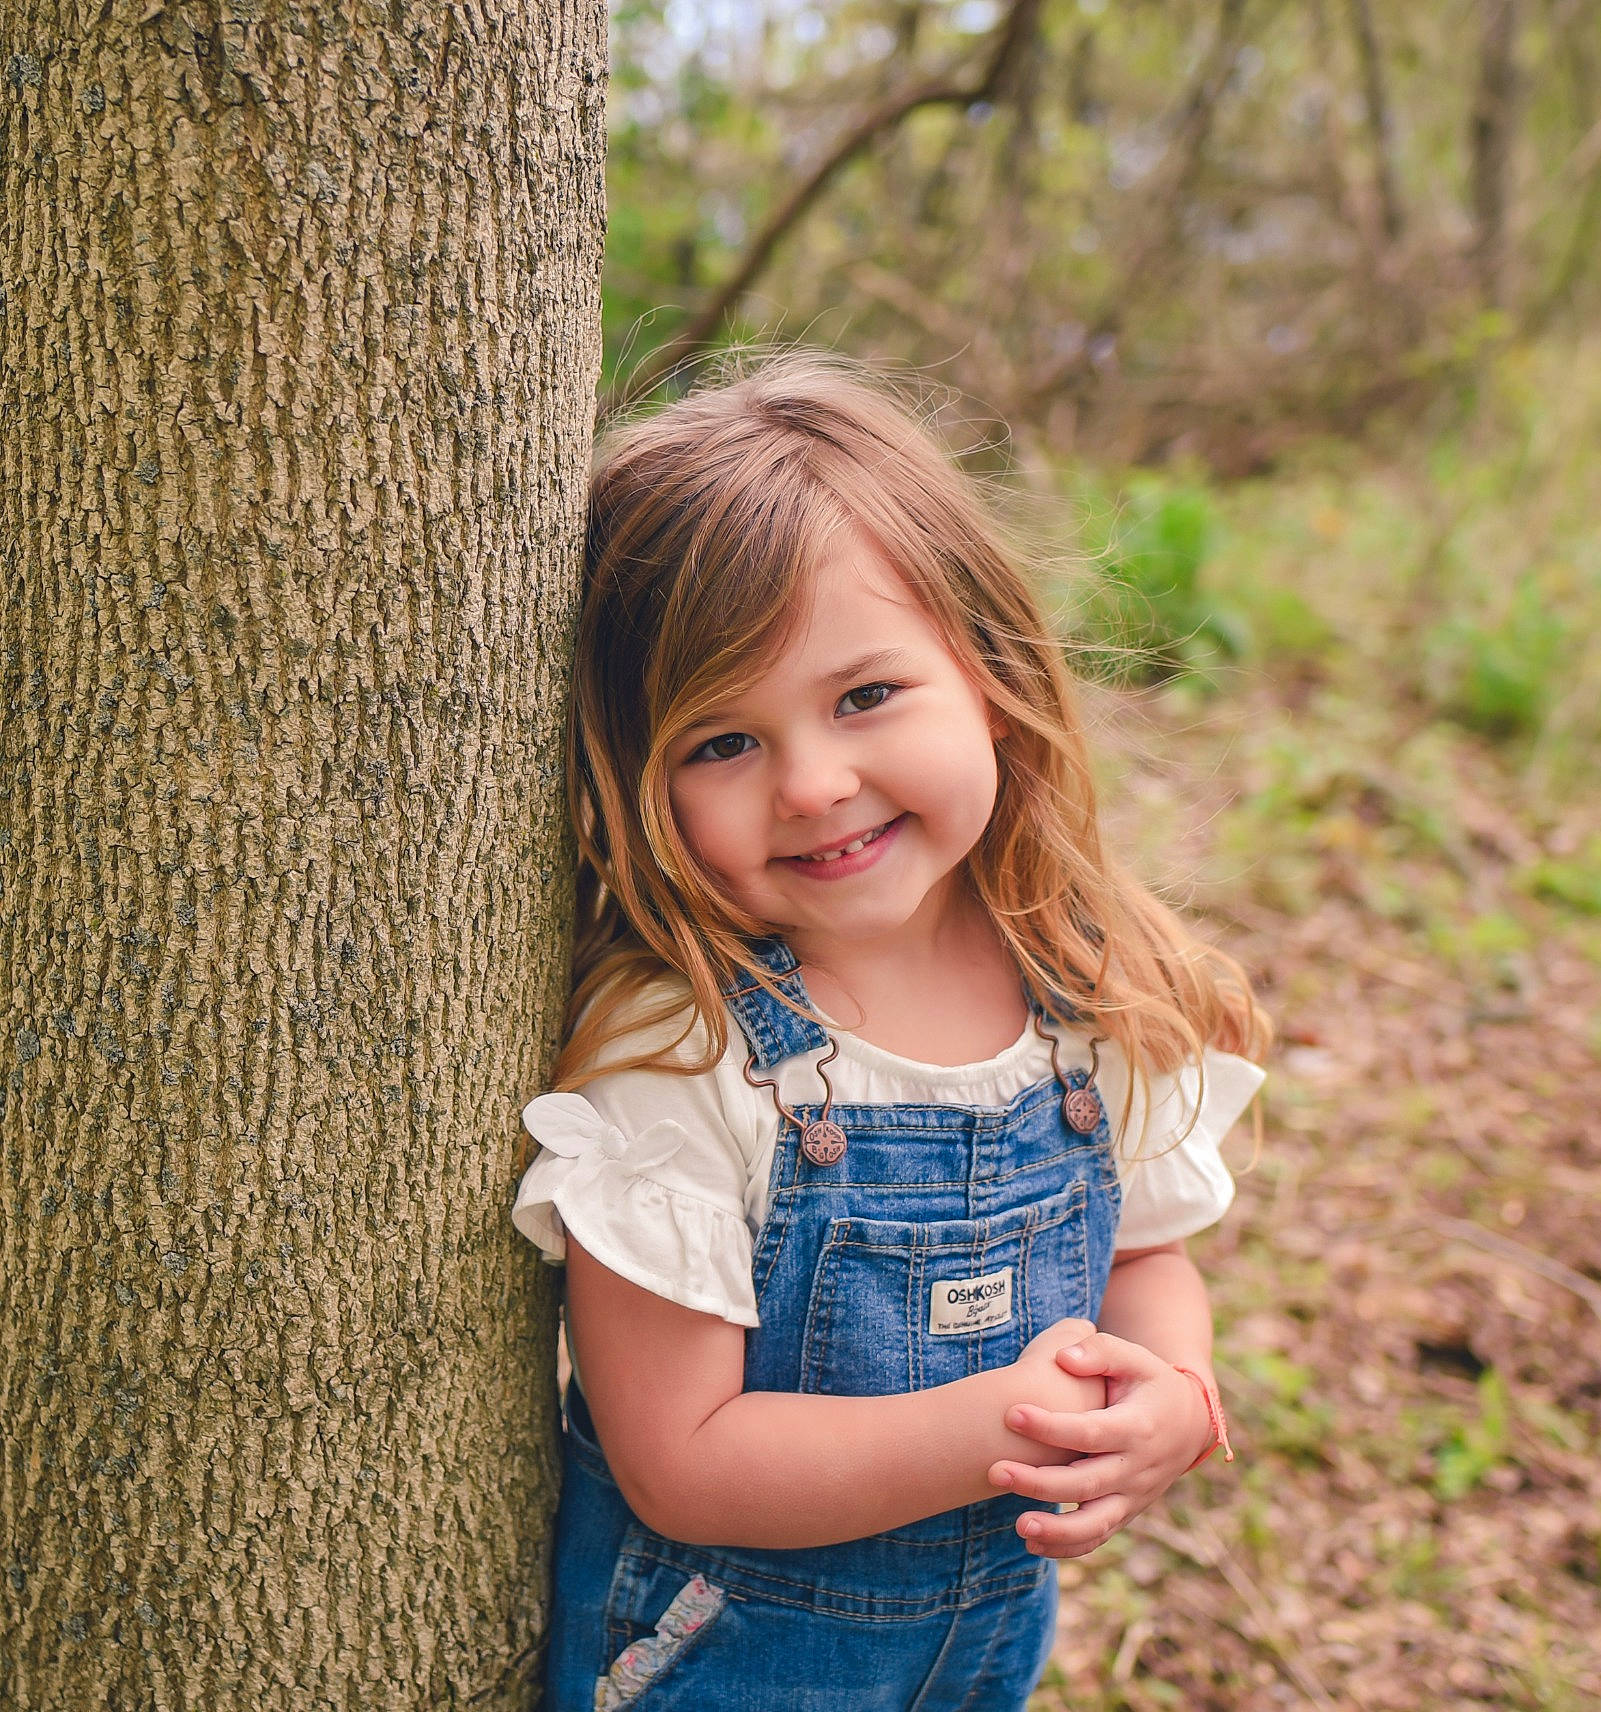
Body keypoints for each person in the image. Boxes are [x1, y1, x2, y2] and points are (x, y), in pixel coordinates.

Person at [512, 349, 1269, 1711]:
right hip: (715, 1673)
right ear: (633, 782)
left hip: (975, 1667)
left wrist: (1172, 1391)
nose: (812, 784)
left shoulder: (1077, 982)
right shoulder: (681, 1052)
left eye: (865, 697)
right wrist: (996, 1431)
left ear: (987, 669)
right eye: (719, 743)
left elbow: (1147, 1258)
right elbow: (680, 1456)